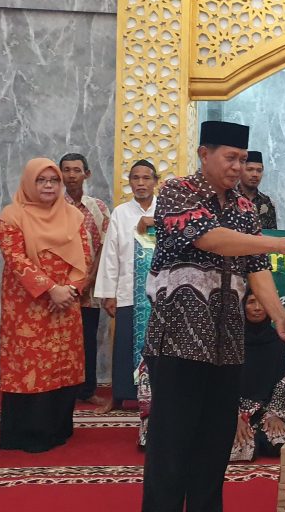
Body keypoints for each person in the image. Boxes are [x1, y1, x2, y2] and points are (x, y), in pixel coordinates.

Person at [140, 120, 285, 512]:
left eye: (243, 159)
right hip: (178, 342)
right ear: (204, 154)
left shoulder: (244, 208)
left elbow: (257, 268)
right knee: (171, 446)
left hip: (228, 346)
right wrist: (278, 243)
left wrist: (279, 317)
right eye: (230, 158)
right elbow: (210, 238)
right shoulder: (177, 191)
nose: (238, 167)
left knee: (215, 446)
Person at [0, 158, 90, 453]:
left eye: (53, 180)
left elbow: (85, 255)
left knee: (62, 363)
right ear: (29, 182)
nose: (48, 186)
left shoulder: (73, 216)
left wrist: (71, 289)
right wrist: (51, 289)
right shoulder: (11, 217)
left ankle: (58, 428)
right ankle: (29, 434)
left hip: (66, 305)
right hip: (28, 307)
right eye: (41, 180)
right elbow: (16, 260)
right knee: (30, 365)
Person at [94, 159, 158, 414]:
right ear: (130, 182)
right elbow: (111, 255)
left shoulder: (166, 211)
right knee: (124, 345)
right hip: (128, 292)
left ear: (155, 181)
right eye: (135, 178)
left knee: (159, 348)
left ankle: (158, 396)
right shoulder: (120, 213)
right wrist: (108, 294)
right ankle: (119, 396)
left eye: (146, 178)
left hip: (160, 294)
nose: (140, 183)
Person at [60, 152, 111, 407]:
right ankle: (60, 391)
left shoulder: (98, 208)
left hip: (88, 289)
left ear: (86, 174)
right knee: (60, 340)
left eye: (76, 170)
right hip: (60, 289)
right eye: (66, 170)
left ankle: (87, 390)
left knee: (87, 340)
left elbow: (104, 245)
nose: (71, 175)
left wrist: (90, 279)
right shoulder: (52, 206)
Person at [231, 289, 285, 461]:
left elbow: (281, 380)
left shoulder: (278, 341)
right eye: (251, 302)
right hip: (236, 411)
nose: (257, 308)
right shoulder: (231, 342)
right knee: (241, 449)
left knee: (279, 443)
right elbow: (223, 383)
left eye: (262, 302)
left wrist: (274, 414)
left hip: (266, 410)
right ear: (242, 306)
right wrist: (234, 417)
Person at [239, 150, 277, 229]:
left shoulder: (267, 202)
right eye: (249, 169)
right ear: (240, 170)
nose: (255, 174)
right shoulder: (230, 198)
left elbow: (272, 233)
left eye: (259, 170)